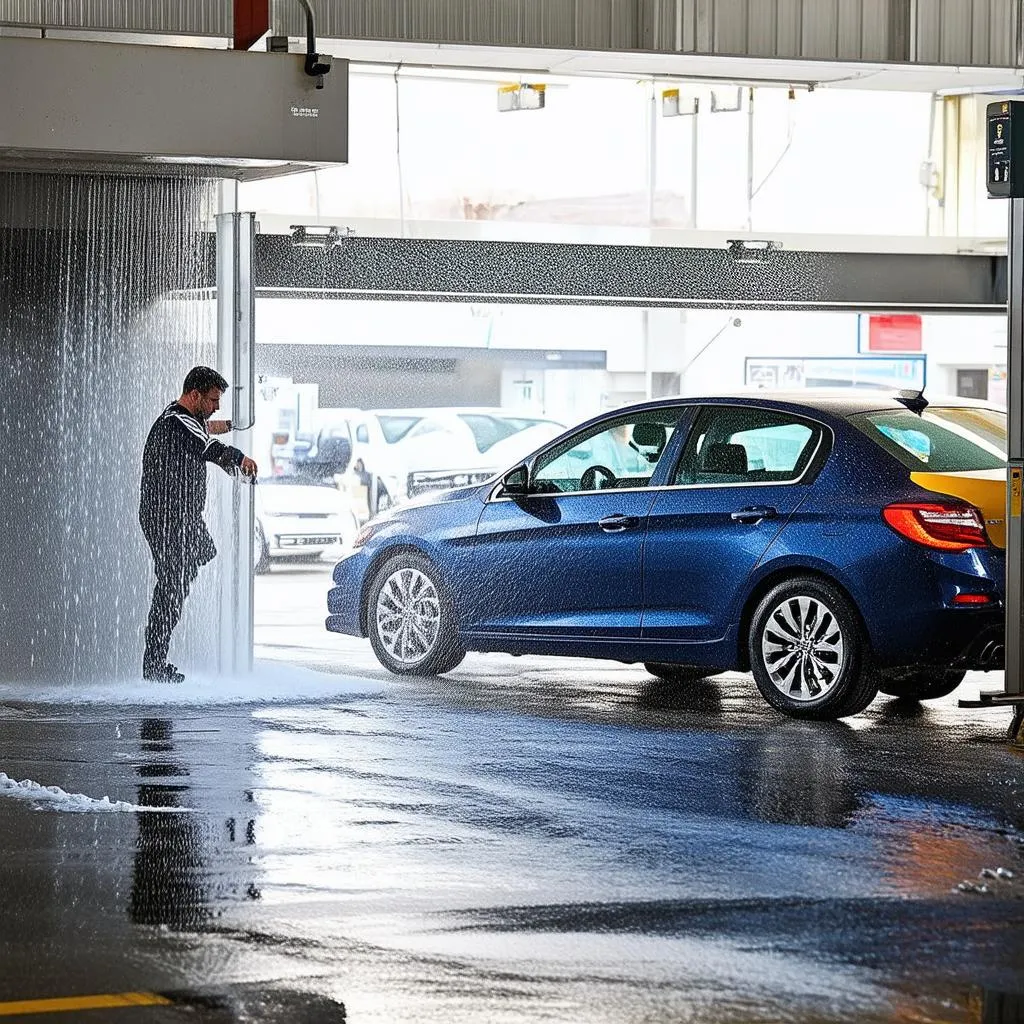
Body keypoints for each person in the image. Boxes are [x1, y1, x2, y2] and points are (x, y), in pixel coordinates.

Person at [139, 366, 258, 683]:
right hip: (166, 519)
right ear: (194, 395)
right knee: (171, 589)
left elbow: (204, 429)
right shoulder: (177, 423)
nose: (217, 406)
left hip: (182, 520)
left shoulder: (181, 418)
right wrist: (239, 459)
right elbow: (207, 446)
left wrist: (233, 424)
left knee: (188, 569)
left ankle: (157, 656)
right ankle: (153, 666)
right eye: (213, 399)